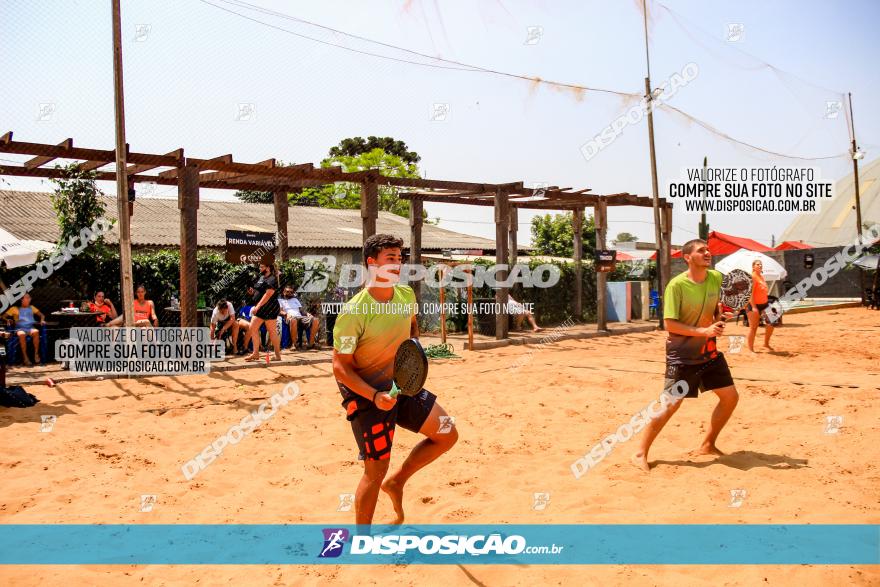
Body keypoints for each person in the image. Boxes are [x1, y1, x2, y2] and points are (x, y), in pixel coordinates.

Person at [333, 234, 458, 525]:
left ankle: (398, 482)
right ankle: (362, 542)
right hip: (368, 396)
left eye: (400, 259)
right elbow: (341, 367)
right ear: (371, 263)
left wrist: (410, 363)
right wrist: (374, 396)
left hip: (403, 386)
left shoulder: (405, 297)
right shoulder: (354, 311)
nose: (397, 264)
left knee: (447, 433)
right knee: (375, 471)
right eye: (390, 258)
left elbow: (411, 330)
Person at [631, 238, 739, 472]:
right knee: (670, 405)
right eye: (701, 251)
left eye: (708, 250)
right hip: (682, 355)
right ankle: (640, 453)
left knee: (730, 397)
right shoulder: (676, 286)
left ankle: (708, 444)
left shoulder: (716, 278)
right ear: (687, 257)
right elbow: (670, 324)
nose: (708, 253)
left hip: (709, 352)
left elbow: (717, 307)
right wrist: (704, 330)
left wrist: (720, 316)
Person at [245, 261, 282, 362]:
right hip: (261, 308)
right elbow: (259, 291)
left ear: (268, 268)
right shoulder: (261, 278)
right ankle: (255, 353)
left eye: (262, 267)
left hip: (270, 308)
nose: (260, 269)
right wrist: (252, 292)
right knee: (252, 327)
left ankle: (277, 355)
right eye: (260, 267)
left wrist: (257, 306)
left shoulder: (272, 279)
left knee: (272, 332)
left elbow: (268, 294)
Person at [2, 293, 45, 366]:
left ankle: (36, 354)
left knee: (36, 331)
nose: (29, 299)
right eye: (27, 298)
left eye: (29, 297)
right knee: (21, 334)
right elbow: (3, 316)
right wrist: (7, 320)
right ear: (21, 300)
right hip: (19, 328)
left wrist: (42, 320)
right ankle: (25, 357)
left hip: (30, 327)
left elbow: (42, 315)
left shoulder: (32, 307)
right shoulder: (14, 309)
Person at [278, 286, 319, 350]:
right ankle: (294, 345)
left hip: (300, 317)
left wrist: (308, 314)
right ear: (284, 292)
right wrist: (286, 314)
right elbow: (280, 311)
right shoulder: (280, 300)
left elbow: (301, 310)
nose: (289, 293)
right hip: (290, 317)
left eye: (291, 292)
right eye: (287, 292)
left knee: (315, 320)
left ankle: (310, 344)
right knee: (293, 320)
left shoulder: (295, 300)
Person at [746, 260, 775, 352]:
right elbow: (750, 294)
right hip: (753, 305)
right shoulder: (753, 277)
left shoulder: (761, 277)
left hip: (764, 304)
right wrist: (754, 307)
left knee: (771, 323)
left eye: (761, 264)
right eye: (757, 264)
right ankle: (751, 349)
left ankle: (766, 344)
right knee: (753, 327)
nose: (760, 265)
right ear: (753, 267)